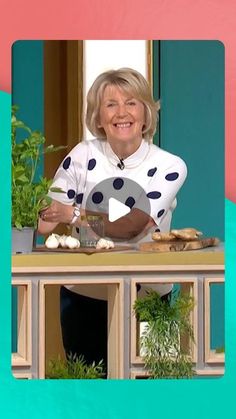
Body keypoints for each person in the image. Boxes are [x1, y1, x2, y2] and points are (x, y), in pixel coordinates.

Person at [38, 68, 187, 369]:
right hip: (83, 295)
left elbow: (133, 226)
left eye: (131, 102)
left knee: (156, 394)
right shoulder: (82, 154)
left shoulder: (169, 165)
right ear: (99, 117)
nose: (122, 113)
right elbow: (45, 222)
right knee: (89, 397)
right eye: (110, 104)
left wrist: (74, 214)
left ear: (146, 113)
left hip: (151, 299)